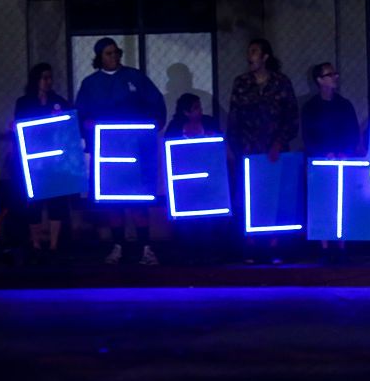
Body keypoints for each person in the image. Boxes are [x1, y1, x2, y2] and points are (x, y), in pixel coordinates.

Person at [75, 37, 167, 266]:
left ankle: (146, 248)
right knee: (112, 202)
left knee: (137, 200)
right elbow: (81, 114)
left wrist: (153, 126)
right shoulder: (90, 84)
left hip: (134, 149)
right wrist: (87, 126)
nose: (114, 56)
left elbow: (156, 104)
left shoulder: (134, 77)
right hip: (107, 152)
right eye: (108, 53)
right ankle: (118, 247)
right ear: (99, 57)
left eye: (116, 52)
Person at [227, 38, 299, 264]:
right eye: (249, 52)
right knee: (250, 199)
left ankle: (274, 245)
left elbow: (291, 116)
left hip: (274, 151)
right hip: (249, 151)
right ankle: (251, 247)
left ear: (265, 56)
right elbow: (234, 117)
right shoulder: (241, 83)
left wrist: (279, 142)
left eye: (254, 51)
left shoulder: (281, 83)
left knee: (274, 199)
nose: (250, 56)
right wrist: (236, 147)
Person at [302, 62, 360, 264]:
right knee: (322, 202)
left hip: (343, 161)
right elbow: (308, 136)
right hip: (320, 162)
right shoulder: (311, 107)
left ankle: (342, 245)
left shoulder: (344, 105)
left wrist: (346, 153)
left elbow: (353, 133)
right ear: (319, 80)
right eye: (330, 74)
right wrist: (322, 154)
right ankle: (324, 247)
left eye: (335, 73)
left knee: (343, 202)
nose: (335, 77)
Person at [13, 63, 72, 264]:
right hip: (34, 160)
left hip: (55, 160)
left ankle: (54, 245)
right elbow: (19, 126)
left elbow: (69, 123)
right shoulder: (24, 102)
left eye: (50, 77)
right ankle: (36, 243)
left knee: (57, 201)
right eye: (44, 77)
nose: (48, 81)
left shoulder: (58, 101)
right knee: (34, 202)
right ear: (36, 80)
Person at [165, 93, 226, 264]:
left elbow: (218, 145)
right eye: (196, 108)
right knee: (187, 221)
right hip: (185, 179)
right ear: (186, 112)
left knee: (207, 219)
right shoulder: (175, 127)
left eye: (200, 107)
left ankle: (208, 253)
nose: (200, 111)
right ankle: (188, 254)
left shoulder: (209, 122)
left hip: (208, 178)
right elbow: (169, 151)